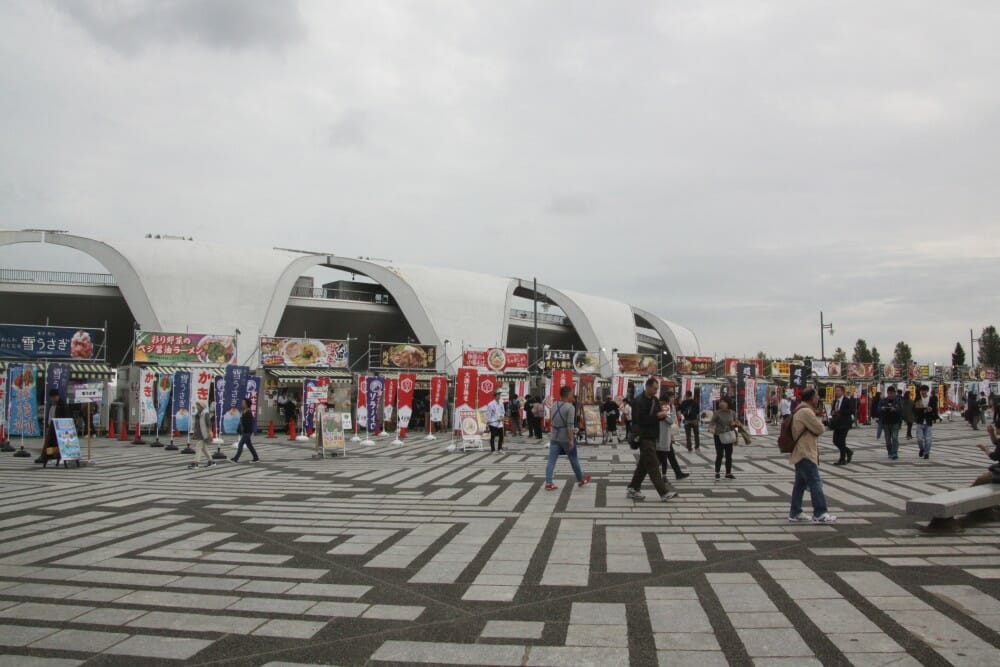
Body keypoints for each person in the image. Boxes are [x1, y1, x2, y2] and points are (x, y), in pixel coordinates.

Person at [625, 378, 678, 502]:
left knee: (643, 465)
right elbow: (639, 420)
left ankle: (633, 487)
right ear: (647, 387)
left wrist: (661, 416)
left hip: (653, 435)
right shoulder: (638, 401)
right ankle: (663, 492)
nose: (656, 391)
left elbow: (658, 415)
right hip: (644, 437)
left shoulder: (654, 400)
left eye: (657, 389)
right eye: (654, 388)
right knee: (653, 465)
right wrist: (656, 416)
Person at [788, 388, 837, 523]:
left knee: (800, 484)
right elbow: (820, 428)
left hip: (801, 452)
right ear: (810, 398)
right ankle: (820, 513)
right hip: (805, 452)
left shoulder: (800, 409)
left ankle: (795, 512)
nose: (818, 399)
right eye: (816, 396)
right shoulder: (806, 411)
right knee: (815, 482)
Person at [544, 385, 591, 489]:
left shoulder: (554, 404)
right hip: (565, 437)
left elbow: (555, 421)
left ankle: (548, 483)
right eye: (572, 393)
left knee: (551, 460)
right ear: (568, 394)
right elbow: (570, 425)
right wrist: (571, 440)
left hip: (554, 436)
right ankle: (581, 480)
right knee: (574, 459)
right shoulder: (570, 407)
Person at [657, 391, 689, 480]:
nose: (673, 399)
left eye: (673, 397)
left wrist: (673, 435)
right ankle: (656, 472)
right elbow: (669, 420)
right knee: (664, 455)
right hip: (662, 435)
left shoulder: (672, 407)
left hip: (668, 434)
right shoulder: (663, 407)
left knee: (669, 455)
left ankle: (677, 473)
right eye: (672, 397)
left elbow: (673, 420)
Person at [38, 388, 70, 467]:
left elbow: (66, 416)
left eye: (54, 397)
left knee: (61, 444)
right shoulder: (51, 405)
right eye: (52, 397)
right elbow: (50, 415)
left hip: (61, 428)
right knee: (52, 443)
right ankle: (49, 457)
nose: (53, 398)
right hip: (52, 427)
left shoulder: (62, 405)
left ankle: (63, 457)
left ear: (57, 396)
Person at [710, 397, 738, 480]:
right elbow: (712, 422)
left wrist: (734, 425)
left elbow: (737, 423)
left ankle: (728, 473)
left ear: (728, 403)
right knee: (720, 454)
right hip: (719, 436)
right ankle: (717, 472)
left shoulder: (732, 413)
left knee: (729, 455)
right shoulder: (717, 413)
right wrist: (711, 428)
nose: (722, 403)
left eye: (724, 402)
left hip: (729, 436)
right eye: (721, 401)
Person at [829, 385, 855, 465]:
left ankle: (842, 459)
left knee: (841, 440)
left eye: (838, 390)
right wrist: (833, 412)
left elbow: (851, 410)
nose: (837, 392)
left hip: (845, 423)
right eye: (836, 391)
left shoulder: (847, 400)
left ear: (843, 392)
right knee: (835, 441)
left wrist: (840, 411)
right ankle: (848, 451)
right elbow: (832, 411)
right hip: (837, 423)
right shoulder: (835, 401)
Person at [231, 399, 260, 463]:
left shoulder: (248, 412)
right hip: (245, 431)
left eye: (243, 402)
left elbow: (248, 423)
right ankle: (256, 457)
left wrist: (245, 430)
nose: (242, 403)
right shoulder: (243, 411)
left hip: (247, 431)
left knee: (241, 444)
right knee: (249, 445)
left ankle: (236, 458)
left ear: (246, 404)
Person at [914, 384, 938, 459]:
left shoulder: (931, 399)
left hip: (928, 421)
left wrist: (932, 413)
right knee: (919, 439)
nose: (923, 392)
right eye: (922, 391)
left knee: (928, 439)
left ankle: (926, 453)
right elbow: (915, 409)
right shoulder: (918, 398)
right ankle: (922, 449)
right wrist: (923, 410)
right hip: (920, 421)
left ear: (927, 391)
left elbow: (935, 409)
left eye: (924, 391)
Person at [189, 401, 215, 468]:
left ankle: (196, 463)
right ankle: (211, 461)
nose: (197, 407)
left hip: (204, 433)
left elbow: (209, 424)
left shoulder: (205, 413)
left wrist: (210, 433)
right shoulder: (198, 414)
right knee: (204, 448)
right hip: (199, 433)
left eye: (198, 405)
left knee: (198, 446)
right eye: (197, 405)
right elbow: (197, 425)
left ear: (202, 406)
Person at [879, 386, 903, 460]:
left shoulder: (898, 401)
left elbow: (901, 410)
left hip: (895, 422)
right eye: (889, 393)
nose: (891, 394)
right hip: (886, 422)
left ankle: (895, 452)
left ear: (895, 393)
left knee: (895, 437)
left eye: (892, 393)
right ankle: (889, 452)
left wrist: (895, 409)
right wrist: (882, 408)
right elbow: (878, 408)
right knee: (888, 440)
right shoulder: (883, 401)